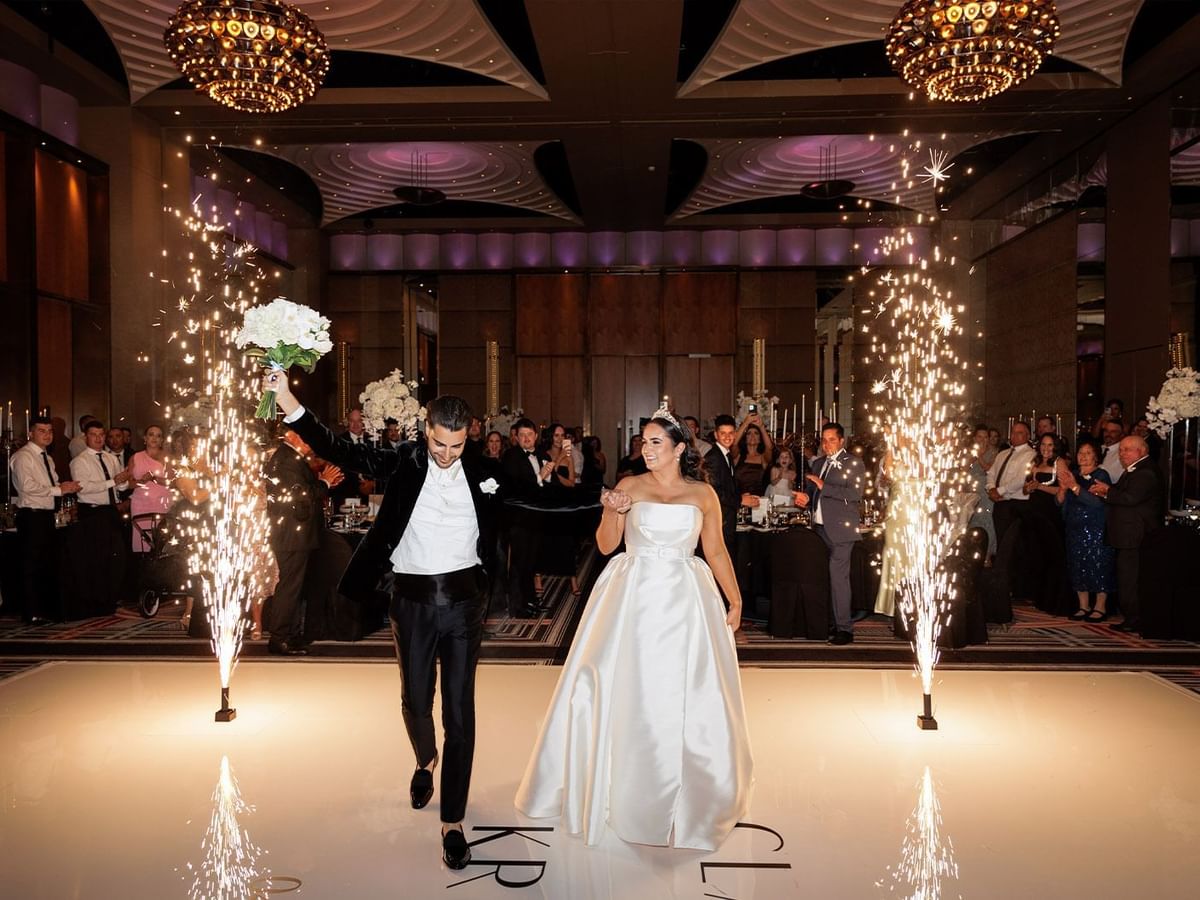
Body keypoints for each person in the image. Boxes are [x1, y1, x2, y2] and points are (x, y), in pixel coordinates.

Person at [267, 371, 501, 870]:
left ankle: (453, 820)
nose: (446, 454)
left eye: (457, 446)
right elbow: (341, 449)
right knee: (416, 700)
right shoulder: (404, 460)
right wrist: (289, 402)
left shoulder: (482, 469)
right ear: (426, 430)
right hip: (412, 602)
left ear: (469, 436)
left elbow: (535, 502)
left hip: (464, 605)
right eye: (439, 443)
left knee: (461, 712)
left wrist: (611, 499)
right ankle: (424, 759)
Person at [515, 407, 752, 850]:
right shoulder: (628, 486)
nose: (646, 449)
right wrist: (611, 511)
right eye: (643, 442)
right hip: (632, 595)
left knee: (683, 692)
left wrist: (734, 598)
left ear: (680, 449)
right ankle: (617, 783)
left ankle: (688, 792)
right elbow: (607, 545)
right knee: (624, 687)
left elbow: (716, 550)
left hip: (684, 596)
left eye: (656, 442)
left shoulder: (703, 494)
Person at [263, 427, 342, 656]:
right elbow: (298, 496)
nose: (309, 441)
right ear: (291, 436)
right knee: (289, 587)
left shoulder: (291, 458)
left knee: (295, 587)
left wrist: (323, 483)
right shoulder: (285, 459)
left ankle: (291, 634)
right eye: (304, 435)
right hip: (291, 534)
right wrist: (324, 483)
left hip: (295, 533)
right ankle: (279, 638)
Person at [793, 422, 865, 644]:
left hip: (842, 531)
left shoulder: (854, 462)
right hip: (820, 529)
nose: (826, 444)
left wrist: (824, 486)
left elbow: (855, 494)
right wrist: (804, 499)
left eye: (832, 439)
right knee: (823, 578)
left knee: (839, 580)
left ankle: (845, 629)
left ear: (842, 441)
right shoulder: (819, 463)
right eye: (824, 440)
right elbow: (814, 493)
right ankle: (829, 623)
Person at [1089, 435, 1166, 634]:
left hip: (1135, 535)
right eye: (1121, 450)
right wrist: (1107, 491)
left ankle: (1134, 618)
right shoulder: (1136, 470)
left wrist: (1107, 492)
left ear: (1141, 451)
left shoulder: (1145, 472)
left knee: (1130, 578)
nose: (1122, 454)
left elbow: (1130, 498)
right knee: (1128, 577)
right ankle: (1132, 617)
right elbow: (1124, 494)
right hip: (1130, 534)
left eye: (1127, 450)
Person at [10, 415, 81, 622]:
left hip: (46, 514)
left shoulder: (47, 458)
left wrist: (65, 488)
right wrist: (59, 490)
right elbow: (27, 487)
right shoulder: (23, 456)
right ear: (30, 433)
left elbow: (53, 485)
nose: (47, 435)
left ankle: (46, 609)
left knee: (47, 564)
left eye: (50, 431)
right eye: (41, 431)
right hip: (32, 515)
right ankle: (32, 612)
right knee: (32, 564)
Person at [69, 420, 133, 615]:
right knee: (96, 558)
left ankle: (111, 598)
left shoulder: (110, 458)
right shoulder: (79, 461)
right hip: (92, 511)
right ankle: (96, 602)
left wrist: (121, 482)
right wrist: (111, 482)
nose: (98, 438)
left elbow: (118, 487)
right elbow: (84, 487)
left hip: (110, 511)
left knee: (116, 557)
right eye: (93, 435)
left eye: (101, 435)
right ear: (86, 437)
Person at [501, 418, 555, 618]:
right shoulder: (511, 456)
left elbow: (549, 487)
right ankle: (518, 607)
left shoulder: (542, 454)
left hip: (537, 518)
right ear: (516, 437)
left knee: (532, 562)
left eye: (529, 435)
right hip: (519, 519)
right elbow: (516, 487)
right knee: (519, 563)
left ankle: (531, 601)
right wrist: (540, 476)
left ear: (536, 436)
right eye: (522, 435)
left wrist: (548, 477)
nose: (526, 439)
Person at [1056, 442, 1114, 621]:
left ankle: (1100, 606)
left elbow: (1097, 502)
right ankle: (1083, 605)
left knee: (1098, 565)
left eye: (1088, 453)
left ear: (1096, 456)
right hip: (1074, 527)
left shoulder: (1101, 475)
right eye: (1081, 452)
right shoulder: (1072, 474)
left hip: (1095, 527)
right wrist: (1063, 490)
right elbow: (1058, 503)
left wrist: (1074, 487)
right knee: (1078, 565)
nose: (1083, 456)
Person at [1021, 433, 1071, 614]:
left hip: (1050, 513)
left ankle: (1055, 599)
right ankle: (1039, 596)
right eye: (1043, 444)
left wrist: (1040, 487)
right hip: (1034, 513)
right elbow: (1026, 487)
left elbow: (1065, 488)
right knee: (1037, 555)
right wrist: (1028, 487)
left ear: (1055, 447)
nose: (1046, 448)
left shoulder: (1060, 463)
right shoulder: (1034, 462)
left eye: (1050, 445)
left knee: (1053, 555)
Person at [129, 424, 173, 552]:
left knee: (161, 539)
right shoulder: (135, 457)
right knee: (142, 540)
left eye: (158, 436)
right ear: (145, 438)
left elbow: (173, 482)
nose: (154, 438)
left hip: (162, 502)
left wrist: (154, 478)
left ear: (162, 440)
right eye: (151, 434)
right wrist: (142, 481)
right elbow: (129, 483)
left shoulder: (167, 458)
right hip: (141, 503)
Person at [704, 414, 740, 555]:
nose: (727, 437)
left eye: (730, 433)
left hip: (727, 520)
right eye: (723, 433)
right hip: (719, 521)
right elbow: (715, 492)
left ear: (735, 434)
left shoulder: (726, 455)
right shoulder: (713, 457)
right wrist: (741, 501)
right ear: (716, 435)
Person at [732, 413, 774, 497]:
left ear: (760, 439)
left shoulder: (763, 458)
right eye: (749, 433)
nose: (752, 436)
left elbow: (769, 447)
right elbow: (733, 443)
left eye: (756, 433)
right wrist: (745, 423)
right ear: (745, 438)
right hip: (739, 499)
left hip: (758, 501)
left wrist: (761, 427)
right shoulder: (738, 456)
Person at [1097, 418, 1125, 484]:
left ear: (1121, 435)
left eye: (1113, 432)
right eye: (1106, 431)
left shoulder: (1122, 453)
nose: (1108, 434)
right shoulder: (1098, 449)